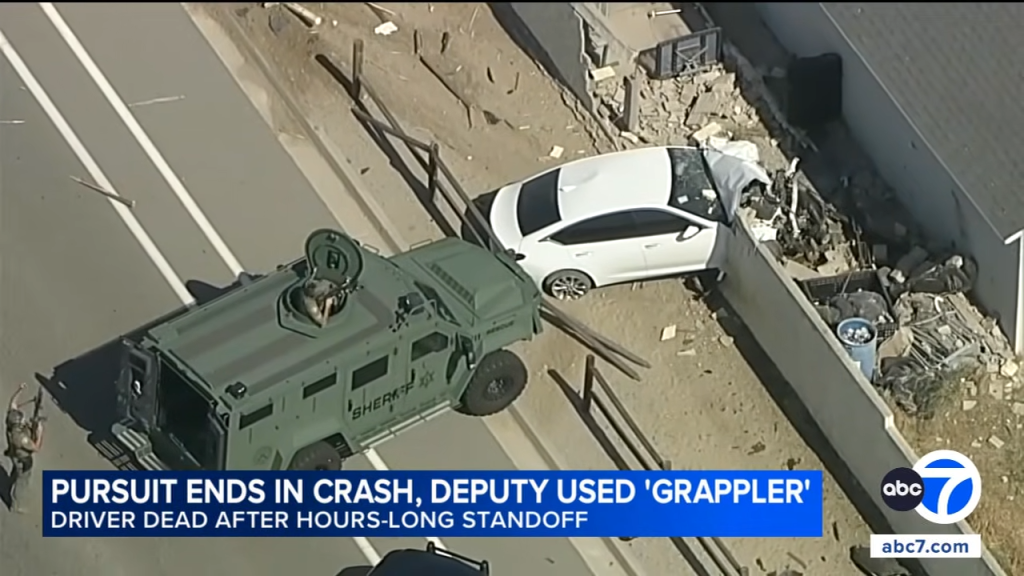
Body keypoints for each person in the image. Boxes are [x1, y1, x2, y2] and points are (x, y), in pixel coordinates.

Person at [5, 383, 44, 512]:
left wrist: (19, 389)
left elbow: (13, 403)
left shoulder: (10, 422)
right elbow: (36, 447)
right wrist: (39, 432)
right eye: (22, 420)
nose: (23, 420)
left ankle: (9, 482)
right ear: (18, 423)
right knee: (22, 481)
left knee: (15, 471)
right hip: (23, 460)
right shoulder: (22, 438)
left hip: (13, 454)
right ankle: (15, 505)